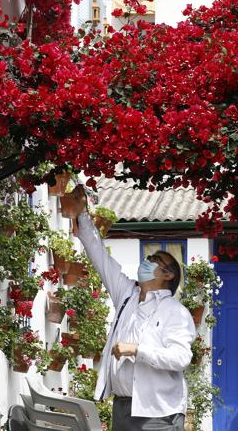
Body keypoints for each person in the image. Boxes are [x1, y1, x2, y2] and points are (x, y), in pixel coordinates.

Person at [70, 185, 196, 431]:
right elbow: (100, 256)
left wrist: (137, 350)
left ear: (168, 275)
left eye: (154, 261)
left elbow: (181, 358)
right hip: (124, 408)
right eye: (148, 259)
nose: (146, 263)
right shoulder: (127, 295)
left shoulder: (175, 312)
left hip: (159, 414)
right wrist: (81, 213)